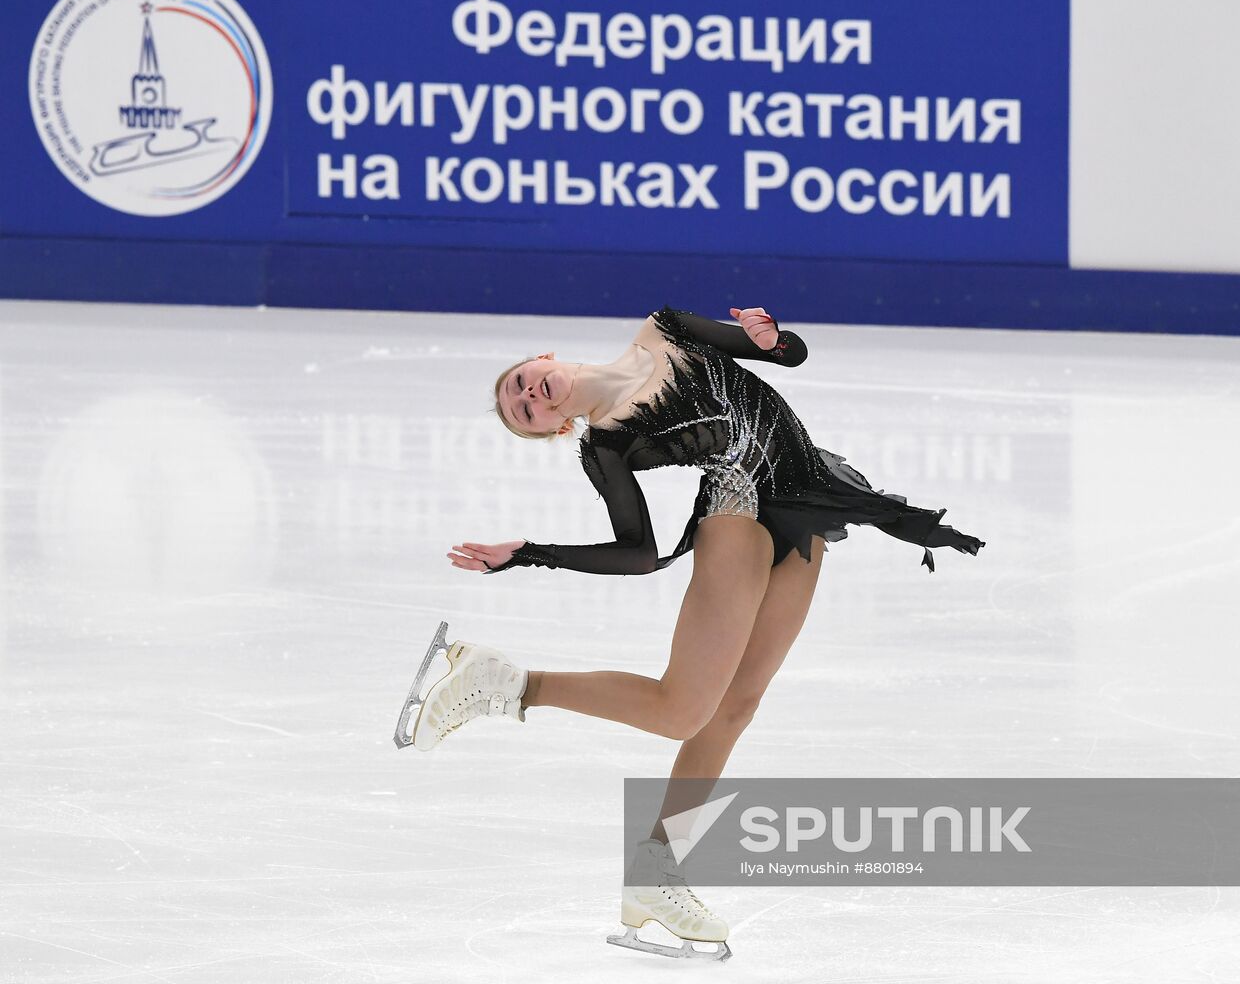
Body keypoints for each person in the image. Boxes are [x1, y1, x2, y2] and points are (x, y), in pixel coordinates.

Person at [399, 306, 985, 960]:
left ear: (543, 356)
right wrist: (532, 552)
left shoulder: (662, 327)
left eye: (522, 383)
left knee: (736, 705)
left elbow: (782, 354)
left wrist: (771, 339)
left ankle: (659, 870)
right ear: (556, 426)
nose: (529, 395)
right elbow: (639, 552)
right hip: (737, 508)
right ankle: (509, 684)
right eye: (525, 412)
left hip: (808, 496)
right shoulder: (607, 444)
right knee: (682, 710)